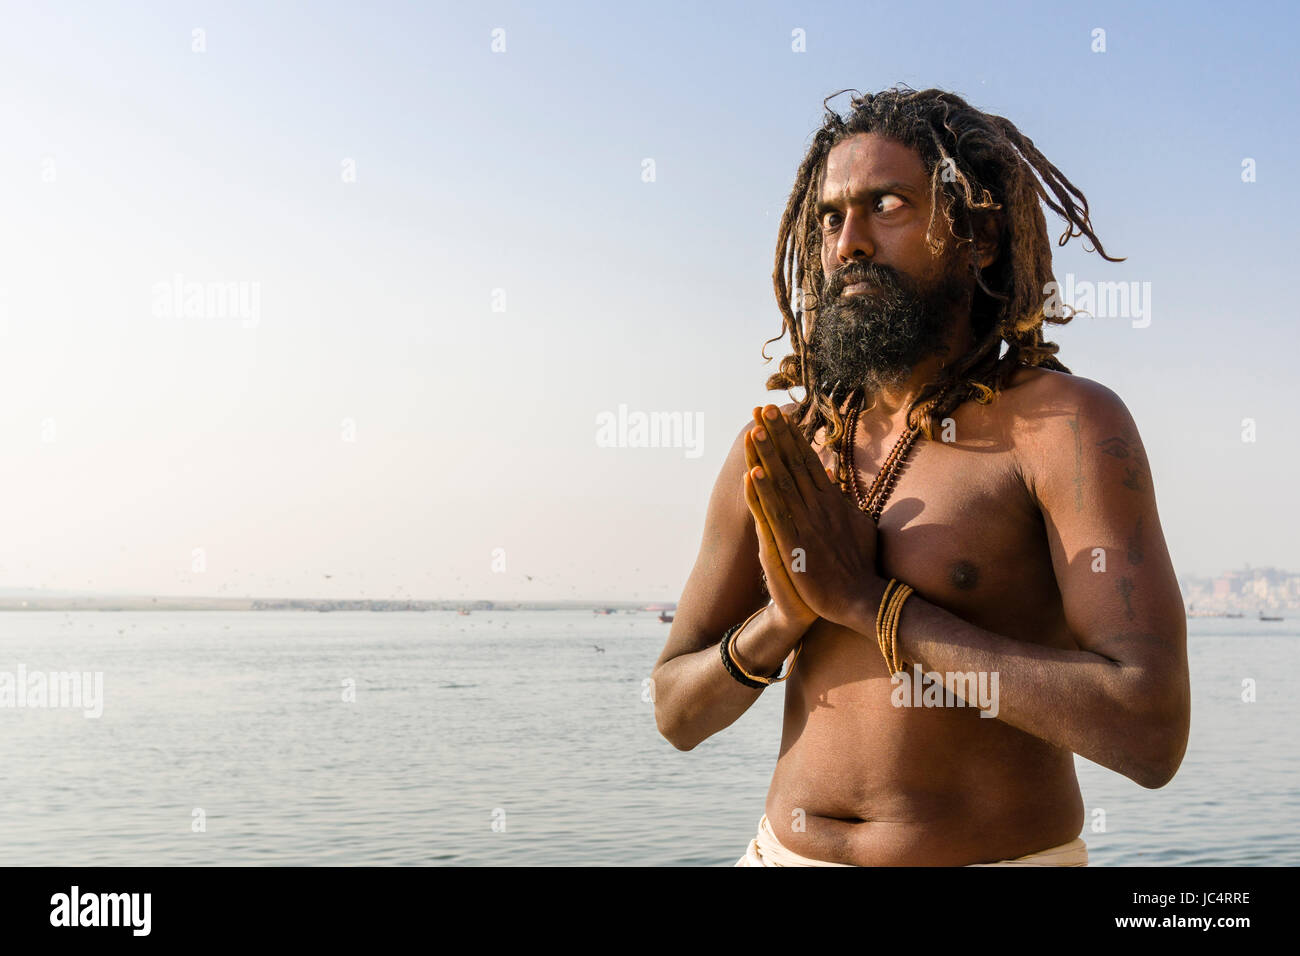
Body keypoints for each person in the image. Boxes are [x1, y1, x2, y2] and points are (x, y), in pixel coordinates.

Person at [650, 86, 1189, 867]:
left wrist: (870, 604)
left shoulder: (1062, 428)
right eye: (830, 217)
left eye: (888, 205)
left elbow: (1150, 731)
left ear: (979, 238)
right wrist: (786, 619)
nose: (848, 243)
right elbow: (674, 713)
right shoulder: (783, 448)